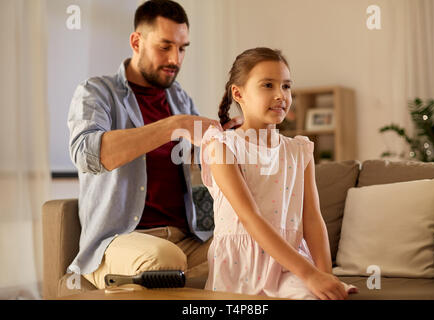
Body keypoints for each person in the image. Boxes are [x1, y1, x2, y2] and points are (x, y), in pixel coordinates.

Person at [67, 0, 241, 289]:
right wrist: (172, 126)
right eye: (165, 46)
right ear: (137, 41)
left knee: (248, 252)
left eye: (183, 48)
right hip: (119, 241)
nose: (176, 58)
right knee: (164, 260)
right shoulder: (95, 92)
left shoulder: (179, 99)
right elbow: (88, 154)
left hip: (186, 238)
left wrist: (222, 139)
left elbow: (199, 158)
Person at [200, 47, 358, 300]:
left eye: (286, 86)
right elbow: (250, 218)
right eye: (267, 85)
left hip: (290, 264)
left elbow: (312, 219)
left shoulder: (299, 150)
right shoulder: (222, 146)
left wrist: (324, 276)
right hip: (241, 269)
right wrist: (309, 275)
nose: (280, 95)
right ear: (238, 93)